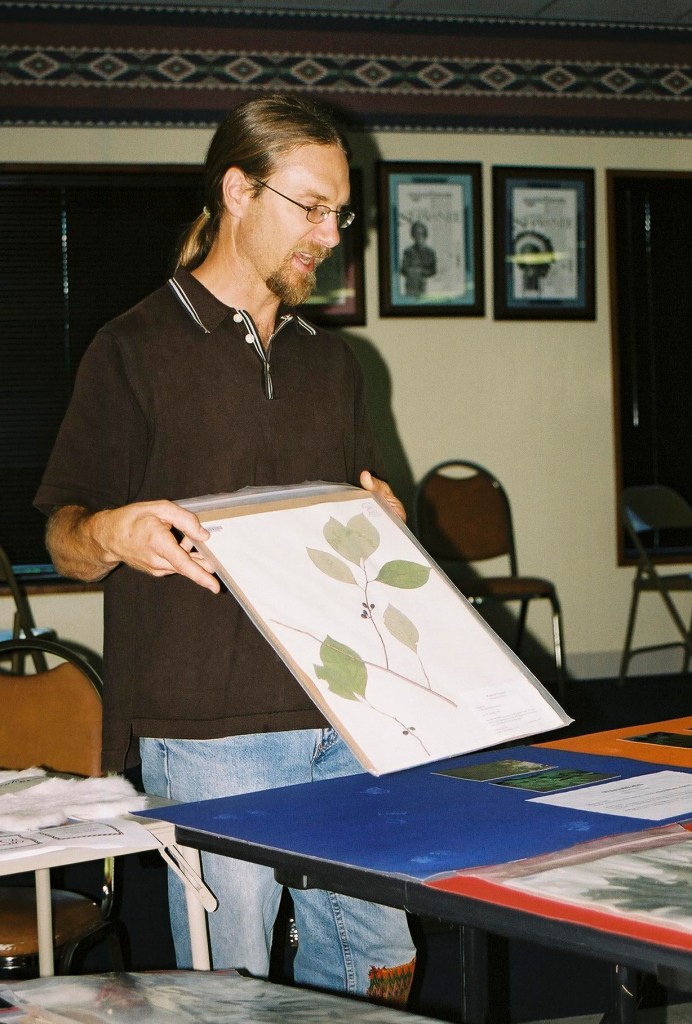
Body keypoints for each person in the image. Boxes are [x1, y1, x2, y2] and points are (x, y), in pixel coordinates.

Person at [34, 94, 416, 1006]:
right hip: (210, 732)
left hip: (343, 712)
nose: (330, 235)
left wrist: (385, 523)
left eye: (340, 212)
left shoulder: (335, 364)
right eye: (311, 207)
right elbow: (62, 537)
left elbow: (355, 522)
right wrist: (109, 533)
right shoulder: (131, 348)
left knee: (381, 958)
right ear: (238, 190)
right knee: (227, 990)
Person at [400, 220, 437, 297]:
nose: (419, 236)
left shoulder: (430, 252)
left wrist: (421, 272)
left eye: (421, 234)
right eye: (416, 234)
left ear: (425, 235)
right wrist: (414, 272)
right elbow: (403, 270)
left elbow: (433, 270)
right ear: (413, 235)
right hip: (410, 287)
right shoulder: (408, 251)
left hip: (425, 286)